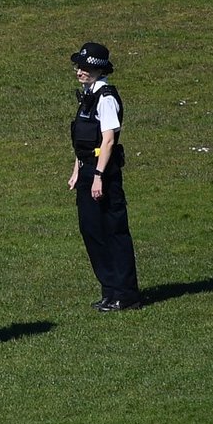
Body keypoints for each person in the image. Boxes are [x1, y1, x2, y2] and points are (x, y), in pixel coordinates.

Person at [67, 42, 141, 312]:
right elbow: (83, 139)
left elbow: (108, 141)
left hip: (103, 172)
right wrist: (77, 169)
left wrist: (98, 175)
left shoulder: (106, 97)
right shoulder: (88, 95)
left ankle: (126, 293)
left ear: (99, 69)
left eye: (86, 68)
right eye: (79, 66)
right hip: (88, 169)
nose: (80, 72)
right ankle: (109, 290)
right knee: (91, 230)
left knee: (113, 231)